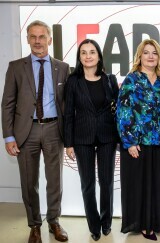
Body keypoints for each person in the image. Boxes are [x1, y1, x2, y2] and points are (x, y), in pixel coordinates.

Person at [1, 20, 70, 243]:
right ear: (28, 39)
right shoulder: (15, 67)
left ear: (50, 39)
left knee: (54, 180)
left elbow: (67, 105)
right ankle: (35, 225)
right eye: (33, 36)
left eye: (42, 37)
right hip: (26, 131)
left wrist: (70, 136)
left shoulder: (63, 67)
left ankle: (54, 221)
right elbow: (7, 104)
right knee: (29, 181)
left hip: (53, 129)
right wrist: (9, 136)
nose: (38, 41)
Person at [116, 39, 160, 241]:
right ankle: (143, 224)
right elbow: (123, 112)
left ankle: (156, 221)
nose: (150, 56)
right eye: (146, 52)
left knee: (158, 184)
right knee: (140, 185)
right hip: (138, 143)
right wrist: (129, 141)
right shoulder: (131, 80)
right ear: (139, 56)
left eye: (154, 53)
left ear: (159, 57)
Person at [64, 39, 119, 241]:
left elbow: (118, 113)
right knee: (87, 184)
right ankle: (94, 226)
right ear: (79, 57)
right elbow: (69, 113)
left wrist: (121, 138)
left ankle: (106, 222)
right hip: (82, 139)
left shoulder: (109, 79)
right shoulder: (73, 81)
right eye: (84, 52)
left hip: (107, 137)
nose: (88, 56)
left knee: (106, 183)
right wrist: (68, 143)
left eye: (92, 52)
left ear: (98, 56)